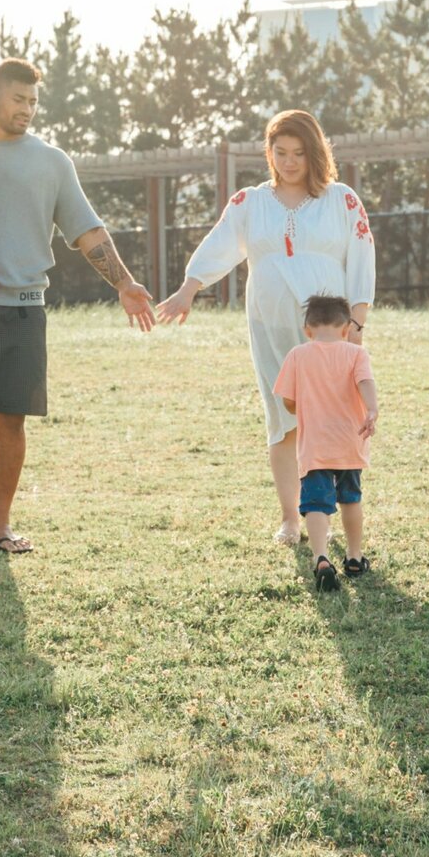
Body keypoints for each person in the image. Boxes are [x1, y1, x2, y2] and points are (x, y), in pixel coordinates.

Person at [0, 58, 155, 555]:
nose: (27, 109)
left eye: (34, 101)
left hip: (22, 309)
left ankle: (0, 525)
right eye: (18, 99)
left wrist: (124, 283)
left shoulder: (53, 162)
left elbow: (87, 231)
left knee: (12, 421)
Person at [156, 109, 375, 546]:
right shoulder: (251, 202)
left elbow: (362, 256)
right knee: (284, 418)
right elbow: (220, 244)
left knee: (330, 420)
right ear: (269, 153)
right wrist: (188, 289)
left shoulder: (341, 199)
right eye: (280, 152)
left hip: (329, 330)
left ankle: (325, 515)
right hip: (269, 325)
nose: (289, 162)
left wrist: (357, 321)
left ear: (315, 153)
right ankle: (291, 518)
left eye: (299, 153)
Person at [273, 294, 378, 591]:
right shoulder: (356, 354)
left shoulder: (297, 355)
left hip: (315, 447)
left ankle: (321, 557)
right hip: (349, 443)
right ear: (346, 328)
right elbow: (365, 382)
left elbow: (288, 402)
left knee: (316, 504)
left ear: (307, 329)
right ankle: (354, 557)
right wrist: (372, 409)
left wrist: (303, 405)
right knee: (350, 499)